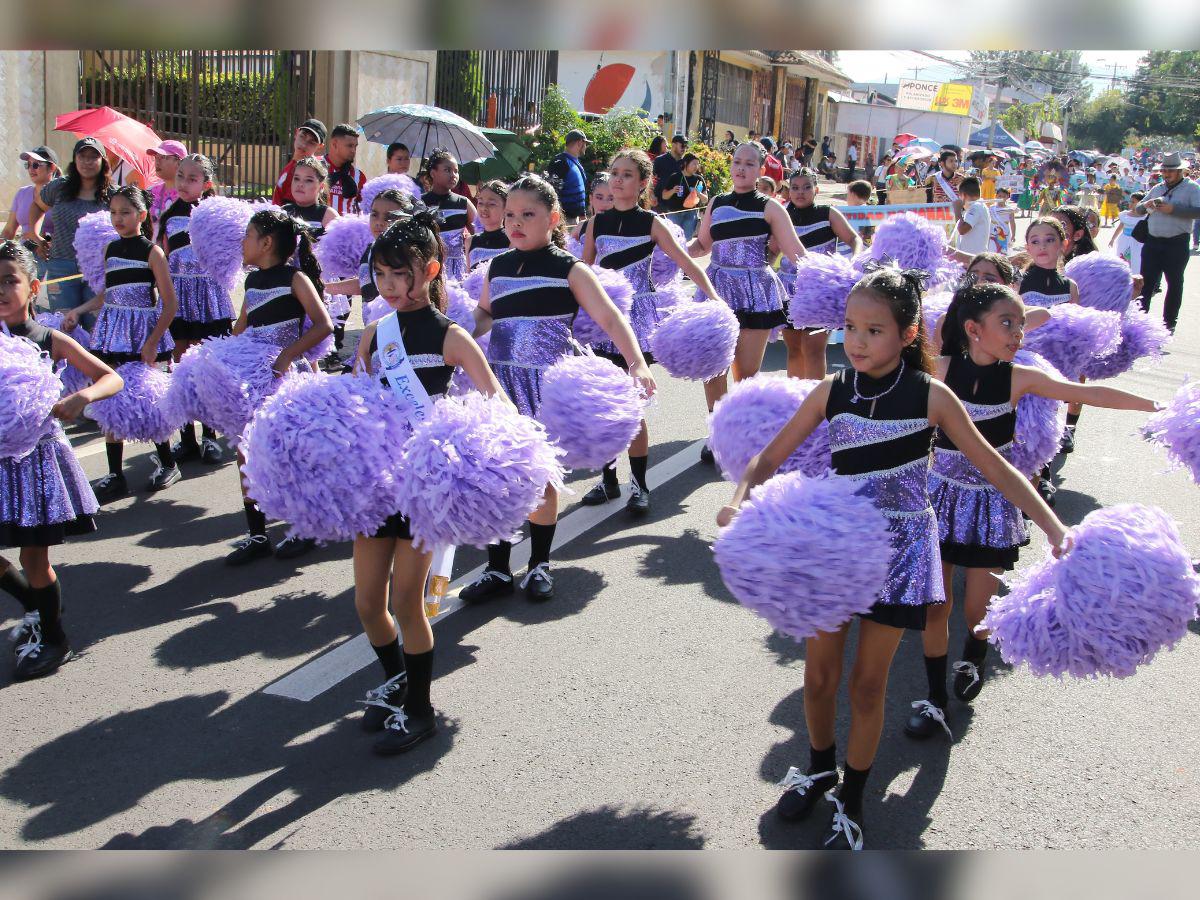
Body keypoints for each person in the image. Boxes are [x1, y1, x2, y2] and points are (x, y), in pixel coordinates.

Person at [719, 266, 1068, 849]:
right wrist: (736, 502)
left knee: (866, 684)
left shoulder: (932, 396)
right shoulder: (833, 388)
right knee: (819, 677)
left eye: (874, 330)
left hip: (902, 553)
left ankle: (852, 797)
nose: (856, 342)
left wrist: (1055, 527)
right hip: (836, 547)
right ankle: (820, 766)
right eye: (851, 328)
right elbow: (766, 458)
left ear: (909, 334)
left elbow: (999, 468)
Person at [909, 281, 1156, 735]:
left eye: (1022, 324)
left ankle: (974, 656)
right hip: (937, 499)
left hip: (991, 505)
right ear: (972, 329)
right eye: (1008, 323)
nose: (1019, 333)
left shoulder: (1019, 377)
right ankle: (934, 697)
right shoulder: (938, 371)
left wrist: (1155, 406)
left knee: (978, 611)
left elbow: (1090, 394)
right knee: (934, 607)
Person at [459, 173, 655, 603]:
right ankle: (497, 569)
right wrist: (453, 334)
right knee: (500, 475)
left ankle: (539, 563)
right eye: (510, 214)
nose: (515, 222)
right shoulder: (499, 266)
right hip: (500, 384)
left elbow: (609, 318)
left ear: (553, 219)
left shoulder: (570, 267)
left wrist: (637, 364)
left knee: (540, 478)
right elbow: (485, 316)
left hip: (544, 385)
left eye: (528, 214)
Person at [351, 209, 504, 754]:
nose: (389, 287)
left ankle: (420, 709)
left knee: (407, 601)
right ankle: (396, 679)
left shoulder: (453, 336)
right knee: (368, 603)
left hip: (422, 486)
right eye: (381, 275)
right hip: (377, 484)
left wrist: (470, 451)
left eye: (401, 274)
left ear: (432, 270)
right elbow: (357, 404)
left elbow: (497, 406)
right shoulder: (375, 334)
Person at [0, 240, 123, 680]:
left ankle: (55, 639)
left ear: (32, 287)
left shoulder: (49, 339)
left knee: (35, 559)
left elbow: (110, 377)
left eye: (8, 281)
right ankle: (36, 604)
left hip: (36, 463)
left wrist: (81, 398)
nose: (0, 290)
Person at [580, 149, 724, 514]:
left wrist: (714, 298)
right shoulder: (597, 223)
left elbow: (687, 264)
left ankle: (639, 486)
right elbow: (583, 273)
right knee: (606, 404)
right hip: (602, 323)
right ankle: (608, 479)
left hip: (637, 321)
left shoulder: (652, 224)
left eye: (627, 174)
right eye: (614, 173)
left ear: (643, 182)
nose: (617, 180)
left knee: (632, 404)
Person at [224, 209, 333, 566]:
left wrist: (286, 357)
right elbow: (242, 325)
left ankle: (303, 527)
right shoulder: (252, 282)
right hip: (255, 376)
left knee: (290, 452)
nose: (242, 242)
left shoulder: (295, 278)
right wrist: (218, 353)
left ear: (266, 243)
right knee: (246, 451)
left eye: (247, 235)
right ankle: (257, 533)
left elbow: (323, 325)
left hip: (287, 377)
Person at [688, 142, 808, 463]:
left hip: (756, 293)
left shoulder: (771, 207)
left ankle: (741, 432)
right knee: (713, 368)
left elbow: (795, 251)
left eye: (749, 164)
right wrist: (670, 252)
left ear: (760, 170)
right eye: (737, 162)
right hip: (717, 289)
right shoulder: (716, 203)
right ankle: (717, 432)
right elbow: (701, 245)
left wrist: (825, 277)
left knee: (745, 373)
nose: (741, 168)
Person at [64, 186, 179, 501]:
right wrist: (78, 310)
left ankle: (168, 462)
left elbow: (170, 303)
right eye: (113, 212)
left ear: (141, 216)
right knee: (109, 398)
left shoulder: (152, 252)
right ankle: (115, 474)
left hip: (141, 333)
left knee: (147, 398)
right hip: (111, 331)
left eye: (125, 212)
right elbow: (107, 294)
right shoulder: (110, 249)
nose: (118, 218)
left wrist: (153, 340)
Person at [157, 154, 234, 465]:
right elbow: (161, 255)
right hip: (178, 299)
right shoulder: (169, 215)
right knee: (180, 370)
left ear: (207, 184)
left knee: (205, 369)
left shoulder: (215, 214)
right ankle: (187, 439)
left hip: (209, 299)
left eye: (192, 178)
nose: (184, 183)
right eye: (181, 176)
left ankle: (209, 437)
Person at [774, 168, 860, 380]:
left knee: (813, 349)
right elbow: (773, 250)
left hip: (820, 290)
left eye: (806, 187)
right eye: (794, 188)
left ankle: (815, 403)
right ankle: (796, 400)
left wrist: (853, 263)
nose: (800, 192)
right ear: (788, 190)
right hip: (788, 289)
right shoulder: (782, 215)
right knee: (794, 349)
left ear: (816, 189)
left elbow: (853, 239)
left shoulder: (827, 213)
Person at [27, 137, 113, 328]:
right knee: (64, 324)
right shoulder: (59, 187)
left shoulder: (113, 195)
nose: (87, 162)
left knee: (95, 326)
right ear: (75, 160)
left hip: (97, 270)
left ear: (103, 162)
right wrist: (36, 236)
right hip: (61, 265)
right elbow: (36, 206)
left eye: (93, 157)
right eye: (82, 156)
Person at [1133, 152, 1200, 333]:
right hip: (1153, 243)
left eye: (1170, 170)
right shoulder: (1157, 188)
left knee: (1174, 283)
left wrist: (1173, 209)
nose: (1166, 173)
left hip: (1176, 244)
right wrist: (1147, 206)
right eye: (1164, 170)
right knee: (1145, 284)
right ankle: (1139, 322)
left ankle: (1169, 324)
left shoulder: (1192, 188)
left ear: (1180, 171)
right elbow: (1138, 209)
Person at [421, 149, 476, 283]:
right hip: (430, 267)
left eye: (456, 171)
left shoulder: (463, 203)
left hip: (457, 270)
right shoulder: (421, 203)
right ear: (433, 173)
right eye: (447, 170)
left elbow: (479, 231)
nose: (453, 175)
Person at [4, 146, 59, 280]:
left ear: (52, 168)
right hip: (25, 259)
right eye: (27, 165)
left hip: (53, 258)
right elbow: (9, 231)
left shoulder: (61, 195)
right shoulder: (22, 193)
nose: (31, 169)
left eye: (36, 165)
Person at [271, 119, 327, 206]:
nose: (304, 144)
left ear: (320, 146)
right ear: (296, 133)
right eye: (302, 136)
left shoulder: (312, 172)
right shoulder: (291, 166)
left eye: (311, 142)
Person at [660, 152, 708, 241]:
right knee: (673, 239)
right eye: (694, 164)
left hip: (691, 213)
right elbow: (664, 196)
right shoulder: (675, 177)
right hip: (674, 213)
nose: (696, 167)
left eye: (697, 164)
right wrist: (673, 190)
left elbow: (705, 200)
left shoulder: (699, 179)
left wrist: (698, 193)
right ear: (686, 163)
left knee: (686, 239)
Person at [324, 124, 368, 217]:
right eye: (349, 146)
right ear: (334, 144)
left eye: (355, 146)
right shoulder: (315, 167)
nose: (353, 150)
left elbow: (364, 209)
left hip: (346, 230)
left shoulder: (359, 176)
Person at [548, 129, 591, 224]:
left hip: (573, 218)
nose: (586, 147)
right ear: (580, 143)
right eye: (585, 144)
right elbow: (553, 192)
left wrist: (582, 215)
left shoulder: (573, 162)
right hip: (563, 220)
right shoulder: (561, 163)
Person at [466, 180, 511, 269]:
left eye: (491, 204)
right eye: (480, 203)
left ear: (506, 208)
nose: (484, 208)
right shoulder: (470, 241)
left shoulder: (513, 240)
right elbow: (468, 278)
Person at [146, 140, 187, 236]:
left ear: (179, 162)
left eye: (163, 157)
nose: (157, 161)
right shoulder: (150, 192)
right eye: (156, 157)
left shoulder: (188, 194)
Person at [953, 177, 991, 256]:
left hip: (973, 258)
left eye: (959, 196)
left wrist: (957, 209)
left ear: (963, 195)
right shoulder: (978, 206)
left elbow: (962, 230)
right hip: (972, 257)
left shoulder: (976, 207)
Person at [1111, 190, 1146, 274]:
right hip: (1124, 239)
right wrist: (1112, 239)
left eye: (1133, 202)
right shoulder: (1125, 214)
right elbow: (1120, 227)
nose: (1130, 203)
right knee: (1122, 257)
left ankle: (1135, 275)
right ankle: (1122, 275)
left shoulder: (1144, 216)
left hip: (1137, 241)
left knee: (1136, 259)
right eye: (1130, 201)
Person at [989, 187, 1015, 254]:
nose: (1001, 198)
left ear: (1007, 197)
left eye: (1004, 196)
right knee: (992, 252)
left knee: (1004, 253)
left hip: (1005, 234)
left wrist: (1013, 234)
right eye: (1000, 196)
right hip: (993, 234)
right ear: (996, 196)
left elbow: (1012, 222)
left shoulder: (1010, 209)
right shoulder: (991, 208)